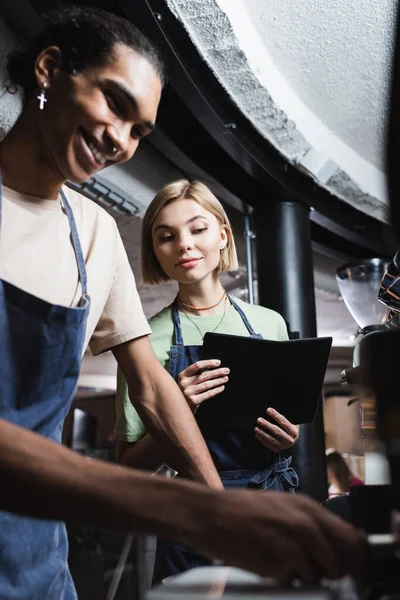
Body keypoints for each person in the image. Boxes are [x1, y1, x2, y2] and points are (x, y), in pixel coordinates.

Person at [0, 6, 365, 597]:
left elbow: (150, 385)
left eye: (140, 130)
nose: (121, 141)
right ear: (49, 69)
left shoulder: (90, 231)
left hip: (39, 557)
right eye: (115, 103)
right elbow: (132, 443)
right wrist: (191, 511)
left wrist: (223, 510)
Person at [114, 180, 308, 580]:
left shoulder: (268, 323)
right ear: (156, 251)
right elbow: (129, 466)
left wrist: (288, 438)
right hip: (195, 518)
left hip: (271, 509)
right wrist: (176, 410)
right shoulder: (144, 340)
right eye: (166, 236)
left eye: (198, 229)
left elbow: (287, 427)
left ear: (222, 235)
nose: (184, 244)